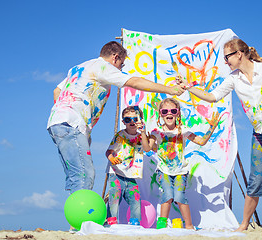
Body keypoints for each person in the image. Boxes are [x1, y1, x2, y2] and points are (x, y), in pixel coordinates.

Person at [176, 38, 262, 231]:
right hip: (260, 132)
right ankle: (243, 225)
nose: (226, 61)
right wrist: (188, 87)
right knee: (256, 179)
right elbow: (212, 97)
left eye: (227, 57)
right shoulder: (233, 79)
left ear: (239, 54)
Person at [47, 41, 185, 194]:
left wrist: (64, 112)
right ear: (115, 57)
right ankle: (83, 218)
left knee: (75, 176)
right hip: (71, 124)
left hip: (57, 122)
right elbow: (134, 81)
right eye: (122, 64)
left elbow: (56, 91)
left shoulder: (78, 68)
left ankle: (75, 214)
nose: (120, 69)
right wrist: (169, 89)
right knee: (85, 175)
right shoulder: (102, 67)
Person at [140, 98, 221, 229]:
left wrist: (211, 128)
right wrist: (143, 133)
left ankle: (189, 225)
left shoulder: (183, 130)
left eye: (173, 110)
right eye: (165, 111)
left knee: (179, 196)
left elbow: (201, 142)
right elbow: (147, 148)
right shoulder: (157, 132)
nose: (169, 113)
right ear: (160, 114)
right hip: (163, 170)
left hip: (180, 171)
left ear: (177, 113)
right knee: (167, 194)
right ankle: (161, 225)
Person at [105, 106, 145, 226]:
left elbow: (150, 147)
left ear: (140, 120)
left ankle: (135, 222)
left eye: (135, 119)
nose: (132, 121)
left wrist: (144, 132)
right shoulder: (120, 135)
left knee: (135, 198)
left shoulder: (141, 137)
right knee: (115, 197)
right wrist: (112, 158)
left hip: (130, 174)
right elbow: (109, 151)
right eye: (128, 120)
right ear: (123, 122)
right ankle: (110, 222)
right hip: (116, 172)